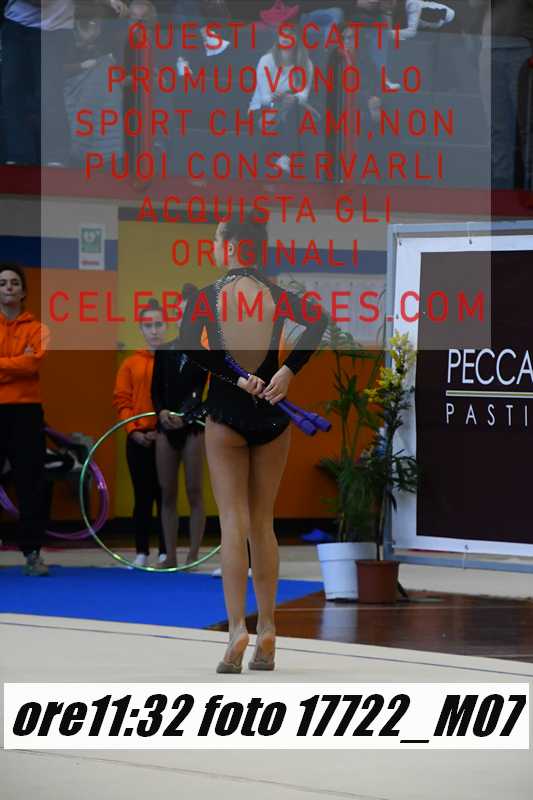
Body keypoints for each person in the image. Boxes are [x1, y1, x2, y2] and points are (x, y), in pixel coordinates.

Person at [180, 216, 327, 673]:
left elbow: (188, 345)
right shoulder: (276, 295)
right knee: (263, 524)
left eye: (215, 239)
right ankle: (267, 628)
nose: (213, 246)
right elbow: (319, 320)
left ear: (230, 247)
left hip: (226, 413)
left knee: (233, 523)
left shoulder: (207, 296)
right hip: (273, 416)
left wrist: (237, 377)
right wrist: (288, 370)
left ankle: (235, 631)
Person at [1, 0, 128, 166]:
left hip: (55, 29)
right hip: (16, 23)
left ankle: (55, 157)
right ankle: (19, 156)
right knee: (13, 91)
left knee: (49, 92)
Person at [151, 285, 208, 569]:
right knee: (167, 492)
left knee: (194, 490)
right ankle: (170, 555)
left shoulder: (207, 353)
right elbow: (155, 390)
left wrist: (187, 417)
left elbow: (207, 395)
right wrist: (161, 411)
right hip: (166, 426)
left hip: (193, 427)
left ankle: (193, 554)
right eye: (181, 313)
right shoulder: (164, 351)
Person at [0, 264, 49, 576]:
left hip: (26, 412)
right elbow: (24, 364)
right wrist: (18, 363)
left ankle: (32, 553)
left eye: (14, 283)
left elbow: (32, 365)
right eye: (2, 282)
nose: (8, 287)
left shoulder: (39, 329)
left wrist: (8, 365)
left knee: (31, 483)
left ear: (23, 291)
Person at [113, 299, 167, 568]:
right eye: (148, 325)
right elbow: (122, 401)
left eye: (158, 324)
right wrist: (133, 431)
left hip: (166, 438)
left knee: (165, 496)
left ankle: (166, 552)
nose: (154, 330)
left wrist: (164, 431)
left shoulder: (173, 360)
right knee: (142, 497)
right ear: (141, 329)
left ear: (166, 326)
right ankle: (142, 551)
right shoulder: (130, 363)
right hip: (138, 439)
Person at [249, 28, 315, 175]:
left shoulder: (306, 63)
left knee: (294, 108)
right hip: (265, 107)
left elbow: (304, 94)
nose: (285, 38)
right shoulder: (266, 60)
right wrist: (275, 100)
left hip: (292, 106)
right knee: (286, 109)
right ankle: (284, 158)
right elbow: (264, 96)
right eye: (282, 34)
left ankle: (285, 158)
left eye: (290, 34)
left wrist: (293, 98)